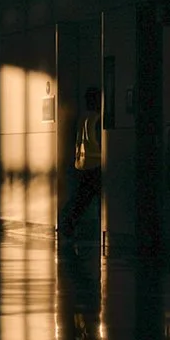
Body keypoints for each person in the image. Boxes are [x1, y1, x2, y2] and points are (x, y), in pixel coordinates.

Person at [60, 86, 102, 242]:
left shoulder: (84, 118)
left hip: (82, 164)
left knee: (82, 198)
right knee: (95, 199)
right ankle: (70, 223)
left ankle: (69, 222)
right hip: (96, 165)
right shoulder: (97, 119)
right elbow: (100, 142)